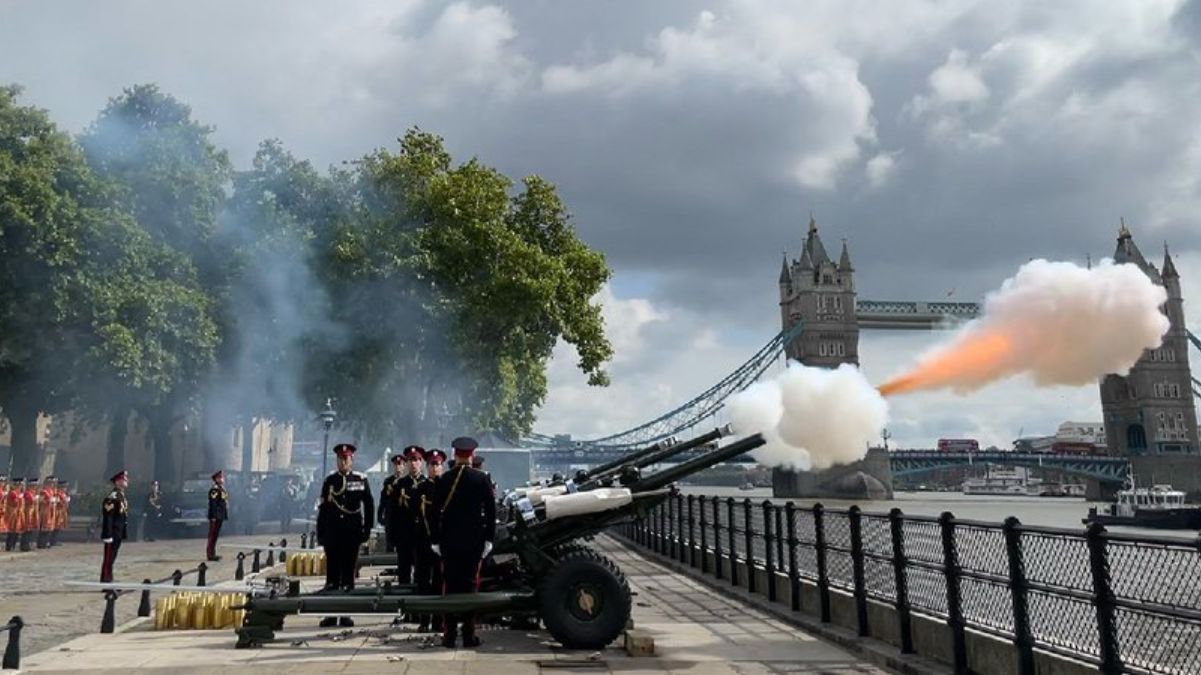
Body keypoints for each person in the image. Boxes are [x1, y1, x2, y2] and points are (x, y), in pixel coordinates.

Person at [431, 436, 496, 648]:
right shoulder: (482, 479)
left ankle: (449, 635)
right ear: (472, 455)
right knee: (470, 586)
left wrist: (435, 540)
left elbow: (433, 512)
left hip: (449, 542)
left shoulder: (444, 479)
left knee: (449, 585)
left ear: (454, 455)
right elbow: (490, 511)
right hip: (474, 542)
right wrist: (488, 539)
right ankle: (469, 635)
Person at [316, 443, 374, 628]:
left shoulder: (360, 479)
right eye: (340, 459)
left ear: (352, 459)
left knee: (348, 576)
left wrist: (366, 529)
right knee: (332, 577)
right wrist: (321, 532)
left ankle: (347, 613)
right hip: (333, 533)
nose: (343, 462)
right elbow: (323, 508)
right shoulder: (330, 481)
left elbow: (369, 505)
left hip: (351, 533)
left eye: (346, 459)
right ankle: (331, 614)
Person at [413, 448, 446, 632]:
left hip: (441, 543)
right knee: (423, 582)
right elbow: (414, 514)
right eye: (432, 464)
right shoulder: (420, 489)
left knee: (440, 582)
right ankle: (424, 620)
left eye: (438, 464)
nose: (435, 468)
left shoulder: (446, 488)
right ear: (427, 467)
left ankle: (438, 619)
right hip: (424, 542)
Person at [377, 452, 408, 557]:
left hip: (403, 518)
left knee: (403, 544)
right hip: (390, 517)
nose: (398, 466)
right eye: (396, 464)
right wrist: (380, 515)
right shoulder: (388, 482)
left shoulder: (407, 481)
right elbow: (383, 500)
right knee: (390, 541)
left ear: (404, 465)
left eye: (400, 464)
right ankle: (389, 564)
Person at [100, 471, 130, 582]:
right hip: (112, 532)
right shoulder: (112, 497)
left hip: (118, 531)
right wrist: (108, 534)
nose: (126, 481)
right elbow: (109, 517)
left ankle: (109, 579)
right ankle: (106, 581)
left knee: (112, 558)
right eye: (124, 479)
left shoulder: (121, 496)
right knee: (108, 559)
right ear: (117, 482)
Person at [207, 471, 229, 561]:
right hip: (215, 515)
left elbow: (224, 501)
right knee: (212, 536)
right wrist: (213, 516)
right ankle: (210, 554)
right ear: (216, 479)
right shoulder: (214, 489)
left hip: (220, 515)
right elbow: (213, 503)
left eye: (222, 477)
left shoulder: (222, 489)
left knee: (216, 535)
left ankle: (213, 553)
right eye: (220, 478)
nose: (222, 479)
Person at [38, 476, 57, 549]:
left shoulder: (52, 491)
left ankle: (46, 541)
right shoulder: (43, 491)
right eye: (50, 483)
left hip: (51, 511)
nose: (52, 485)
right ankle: (41, 543)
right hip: (45, 511)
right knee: (44, 528)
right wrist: (49, 501)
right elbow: (41, 501)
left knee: (49, 528)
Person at [4, 478, 23, 552]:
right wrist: (19, 498)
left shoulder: (18, 493)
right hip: (13, 512)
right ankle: (9, 546)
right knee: (12, 530)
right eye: (18, 485)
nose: (19, 487)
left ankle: (13, 545)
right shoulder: (12, 493)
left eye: (20, 485)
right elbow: (15, 502)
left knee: (17, 530)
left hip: (18, 513)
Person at [21, 478, 39, 552]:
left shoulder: (34, 493)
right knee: (27, 530)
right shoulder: (27, 493)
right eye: (33, 486)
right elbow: (30, 501)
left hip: (33, 513)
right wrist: (35, 498)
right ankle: (24, 545)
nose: (35, 487)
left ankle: (28, 543)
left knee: (31, 530)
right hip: (28, 512)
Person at [54, 478, 70, 547]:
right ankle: (53, 540)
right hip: (58, 511)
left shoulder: (64, 494)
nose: (65, 489)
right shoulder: (58, 493)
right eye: (64, 487)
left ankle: (55, 540)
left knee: (59, 527)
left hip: (63, 511)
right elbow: (58, 503)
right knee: (56, 527)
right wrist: (64, 501)